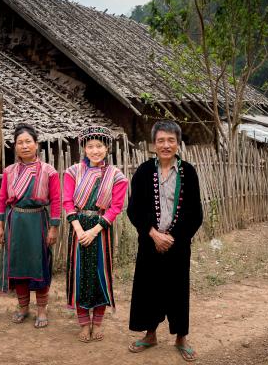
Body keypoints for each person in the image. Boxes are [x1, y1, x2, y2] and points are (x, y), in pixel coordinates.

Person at [127, 121, 203, 361]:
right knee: (149, 288)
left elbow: (195, 213)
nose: (166, 145)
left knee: (177, 289)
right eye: (161, 140)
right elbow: (134, 209)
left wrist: (173, 237)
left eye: (171, 140)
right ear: (153, 145)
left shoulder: (188, 172)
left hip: (178, 245)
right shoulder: (144, 171)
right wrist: (153, 234)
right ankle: (150, 335)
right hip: (150, 243)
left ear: (178, 143)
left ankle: (181, 337)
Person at [63, 126, 129, 343]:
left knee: (100, 274)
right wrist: (81, 230)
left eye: (99, 146)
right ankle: (83, 323)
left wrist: (94, 231)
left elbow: (115, 207)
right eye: (90, 146)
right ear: (84, 148)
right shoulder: (73, 172)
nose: (95, 150)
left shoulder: (116, 176)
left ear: (107, 148)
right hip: (78, 227)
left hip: (101, 230)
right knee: (80, 274)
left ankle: (98, 322)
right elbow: (67, 202)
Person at [0, 123, 61, 328]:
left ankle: (42, 310)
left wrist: (53, 227)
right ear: (15, 147)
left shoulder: (49, 172)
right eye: (19, 143)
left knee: (39, 267)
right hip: (15, 223)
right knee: (18, 267)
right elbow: (1, 200)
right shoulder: (9, 171)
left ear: (36, 144)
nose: (24, 146)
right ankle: (23, 308)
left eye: (28, 142)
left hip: (38, 223)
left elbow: (57, 201)